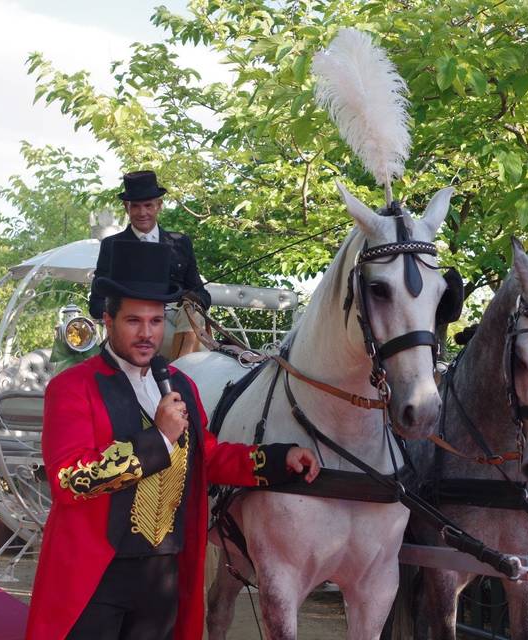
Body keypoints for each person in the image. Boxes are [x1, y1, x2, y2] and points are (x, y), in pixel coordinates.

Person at [27, 240, 320, 640]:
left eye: (156, 321)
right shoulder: (73, 388)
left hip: (163, 577)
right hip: (94, 579)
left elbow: (209, 457)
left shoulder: (180, 384)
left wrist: (276, 460)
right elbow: (69, 480)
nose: (147, 334)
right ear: (108, 321)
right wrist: (159, 439)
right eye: (134, 321)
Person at [89, 170, 210, 358]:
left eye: (148, 205)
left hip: (177, 319)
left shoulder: (180, 242)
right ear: (126, 207)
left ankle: (183, 367)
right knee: (203, 353)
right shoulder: (112, 246)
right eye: (135, 206)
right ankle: (184, 373)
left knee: (193, 313)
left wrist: (190, 299)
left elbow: (203, 295)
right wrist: (122, 313)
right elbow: (96, 303)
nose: (142, 212)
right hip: (138, 324)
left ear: (159, 205)